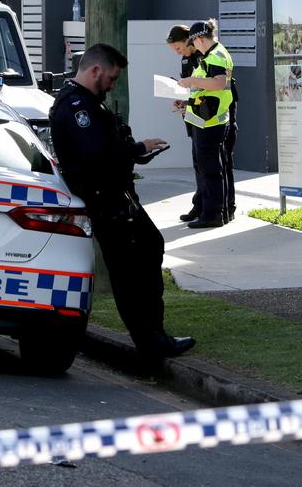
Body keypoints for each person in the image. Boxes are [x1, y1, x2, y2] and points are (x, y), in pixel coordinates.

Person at [49, 43, 196, 366]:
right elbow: (95, 156)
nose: (113, 85)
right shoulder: (77, 107)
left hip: (117, 198)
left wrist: (135, 151)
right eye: (111, 79)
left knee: (146, 252)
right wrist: (136, 148)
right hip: (107, 203)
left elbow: (107, 149)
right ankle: (151, 340)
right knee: (130, 272)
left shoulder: (85, 103)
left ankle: (153, 336)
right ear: (95, 71)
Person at [176, 20, 234, 228]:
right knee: (211, 168)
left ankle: (212, 214)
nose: (195, 46)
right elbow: (209, 88)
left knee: (210, 170)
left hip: (211, 122)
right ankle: (218, 212)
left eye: (194, 42)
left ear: (199, 38)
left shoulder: (216, 55)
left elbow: (218, 83)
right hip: (207, 119)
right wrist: (187, 100)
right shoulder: (213, 54)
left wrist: (191, 81)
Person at [165, 25, 202, 222]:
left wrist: (191, 101)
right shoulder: (186, 59)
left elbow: (208, 88)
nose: (179, 53)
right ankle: (200, 204)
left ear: (188, 39)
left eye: (179, 48)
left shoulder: (204, 56)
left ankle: (213, 206)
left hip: (207, 116)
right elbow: (188, 87)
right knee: (198, 162)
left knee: (208, 165)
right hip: (191, 114)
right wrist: (182, 100)